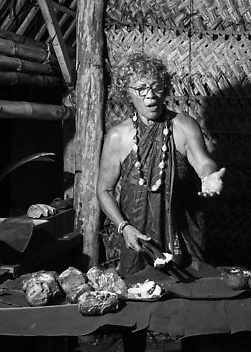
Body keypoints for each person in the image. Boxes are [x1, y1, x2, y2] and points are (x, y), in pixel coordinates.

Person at [96, 53, 225, 276]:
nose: (150, 96)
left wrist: (208, 175)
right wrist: (124, 228)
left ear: (164, 88)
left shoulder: (184, 126)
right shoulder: (118, 136)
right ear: (128, 92)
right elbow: (104, 190)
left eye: (156, 86)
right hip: (137, 239)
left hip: (185, 235)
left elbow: (202, 161)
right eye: (141, 89)